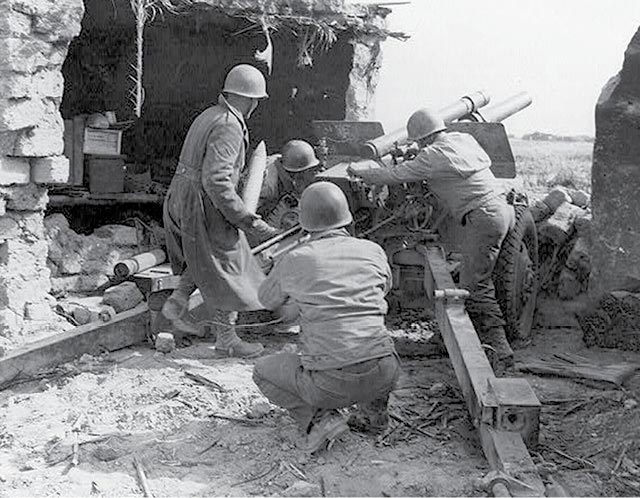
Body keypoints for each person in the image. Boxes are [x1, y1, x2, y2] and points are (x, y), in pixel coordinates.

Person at [347, 108, 515, 371]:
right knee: (474, 279)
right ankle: (451, 338)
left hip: (483, 217)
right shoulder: (462, 139)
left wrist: (361, 171)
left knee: (475, 286)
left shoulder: (434, 155)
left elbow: (393, 176)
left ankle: (501, 349)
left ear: (422, 139)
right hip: (500, 209)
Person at [252, 182, 400, 453]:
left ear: (304, 222)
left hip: (331, 384)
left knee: (263, 371)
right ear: (346, 217)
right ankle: (374, 415)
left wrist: (278, 272)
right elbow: (382, 290)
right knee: (368, 336)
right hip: (385, 372)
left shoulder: (297, 258)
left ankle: (320, 420)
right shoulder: (373, 251)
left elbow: (266, 300)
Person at [161, 64, 279, 358]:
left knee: (202, 255)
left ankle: (176, 303)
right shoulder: (228, 124)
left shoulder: (209, 115)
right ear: (251, 99)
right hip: (202, 203)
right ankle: (227, 339)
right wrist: (247, 221)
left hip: (182, 197)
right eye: (256, 101)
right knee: (229, 264)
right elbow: (216, 181)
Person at [258, 139, 325, 229]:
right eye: (310, 171)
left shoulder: (284, 160)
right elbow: (249, 220)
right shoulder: (268, 187)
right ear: (298, 175)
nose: (314, 173)